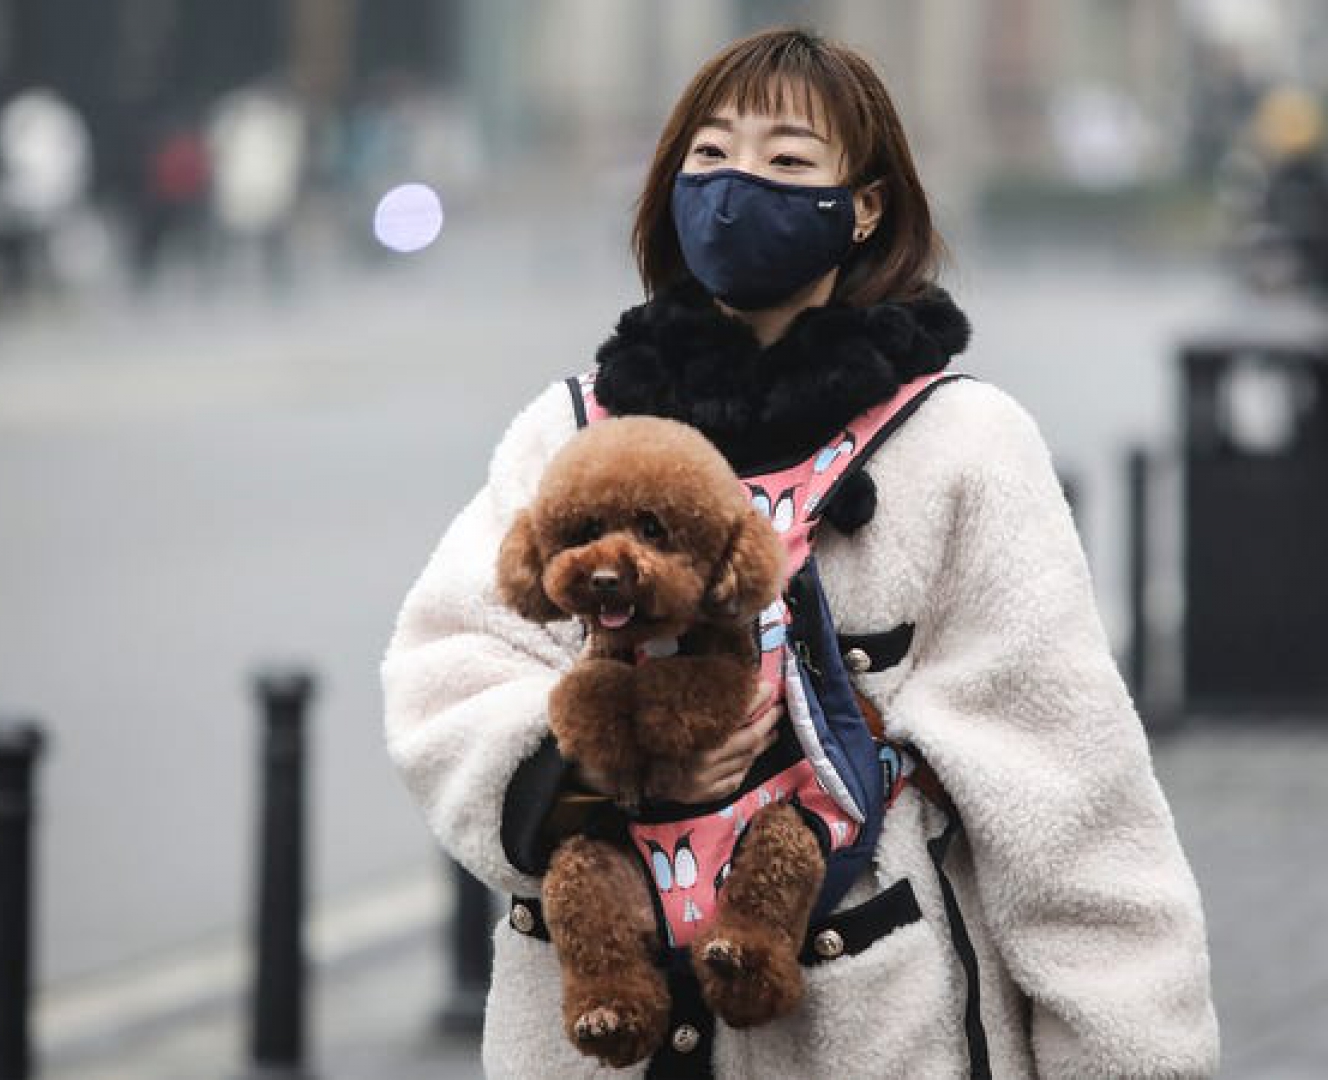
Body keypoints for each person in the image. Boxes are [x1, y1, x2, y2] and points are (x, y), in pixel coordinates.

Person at [382, 28, 1218, 1079]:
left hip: (869, 1034)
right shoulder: (573, 433)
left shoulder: (961, 447)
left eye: (786, 162)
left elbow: (1071, 806)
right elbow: (444, 671)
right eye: (710, 156)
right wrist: (584, 766)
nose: (737, 190)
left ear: (863, 204)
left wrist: (1131, 1056)